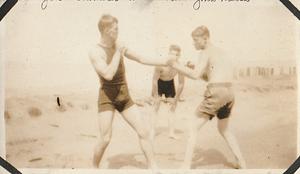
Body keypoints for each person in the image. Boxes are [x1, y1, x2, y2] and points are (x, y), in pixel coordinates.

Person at [89, 14, 170, 171]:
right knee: (105, 138)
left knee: (144, 132)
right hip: (107, 97)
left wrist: (165, 61)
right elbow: (107, 74)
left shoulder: (118, 45)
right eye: (115, 29)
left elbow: (141, 58)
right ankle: (93, 167)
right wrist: (118, 52)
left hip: (124, 97)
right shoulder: (95, 51)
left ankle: (153, 167)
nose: (118, 32)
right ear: (105, 30)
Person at [168, 26, 246, 169]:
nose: (194, 44)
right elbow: (209, 77)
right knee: (224, 129)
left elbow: (195, 76)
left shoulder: (205, 51)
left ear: (205, 38)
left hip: (216, 92)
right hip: (229, 93)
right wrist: (193, 67)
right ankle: (241, 163)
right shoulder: (221, 52)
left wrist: (175, 65)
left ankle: (185, 167)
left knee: (192, 127)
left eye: (196, 40)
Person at [151, 45, 185, 139]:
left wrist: (176, 99)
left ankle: (171, 133)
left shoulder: (180, 66)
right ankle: (152, 131)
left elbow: (181, 83)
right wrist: (156, 95)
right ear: (168, 54)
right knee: (156, 106)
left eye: (177, 55)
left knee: (173, 107)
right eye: (172, 54)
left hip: (170, 84)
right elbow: (154, 80)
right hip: (159, 83)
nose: (174, 57)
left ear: (179, 56)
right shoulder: (160, 64)